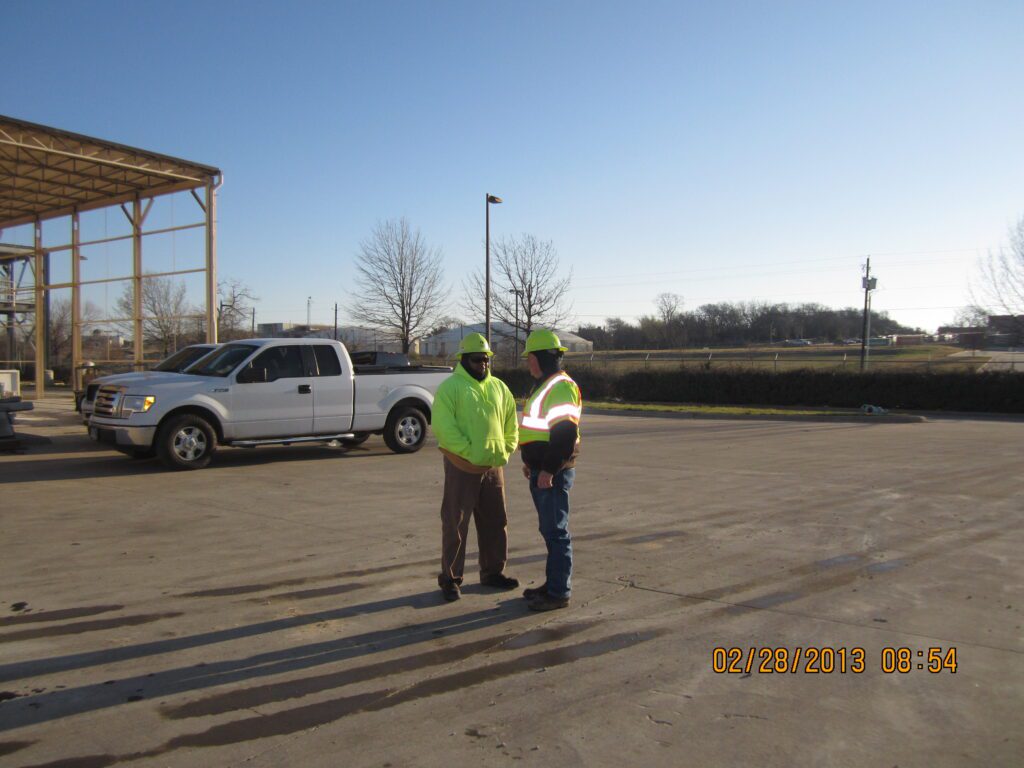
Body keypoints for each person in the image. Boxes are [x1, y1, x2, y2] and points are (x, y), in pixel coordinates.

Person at [431, 332, 520, 601]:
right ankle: (450, 578)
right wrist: (471, 454)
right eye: (477, 359)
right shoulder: (450, 388)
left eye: (486, 360)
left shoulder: (500, 388)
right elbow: (444, 428)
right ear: (463, 359)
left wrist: (505, 449)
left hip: (493, 466)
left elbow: (510, 422)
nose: (483, 364)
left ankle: (493, 572)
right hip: (462, 466)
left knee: (496, 521)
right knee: (455, 523)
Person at [518, 329, 583, 611]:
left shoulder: (560, 386)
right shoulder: (548, 384)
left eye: (529, 358)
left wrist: (547, 470)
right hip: (542, 471)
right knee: (550, 531)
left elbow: (565, 435)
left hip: (551, 474)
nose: (527, 363)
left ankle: (558, 593)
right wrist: (531, 464)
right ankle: (552, 585)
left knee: (556, 532)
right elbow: (540, 431)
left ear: (539, 358)